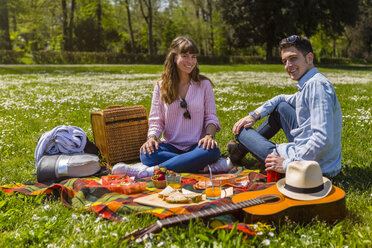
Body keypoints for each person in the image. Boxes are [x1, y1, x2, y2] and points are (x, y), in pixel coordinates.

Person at [114, 36, 232, 178]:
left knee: (212, 151)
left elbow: (211, 118)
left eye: (193, 56)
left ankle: (150, 171)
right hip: (170, 146)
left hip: (197, 145)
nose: (190, 61)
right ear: (174, 57)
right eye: (185, 56)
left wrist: (209, 136)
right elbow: (156, 120)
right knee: (146, 154)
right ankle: (201, 164)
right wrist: (151, 138)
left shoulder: (204, 85)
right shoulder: (161, 86)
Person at [227, 35, 342, 178]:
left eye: (293, 58)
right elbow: (281, 98)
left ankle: (238, 151)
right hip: (311, 156)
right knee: (281, 107)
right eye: (285, 61)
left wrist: (287, 164)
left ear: (309, 58)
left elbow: (322, 139)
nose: (288, 66)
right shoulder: (311, 83)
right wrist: (254, 115)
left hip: (314, 169)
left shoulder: (316, 86)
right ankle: (238, 151)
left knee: (241, 131)